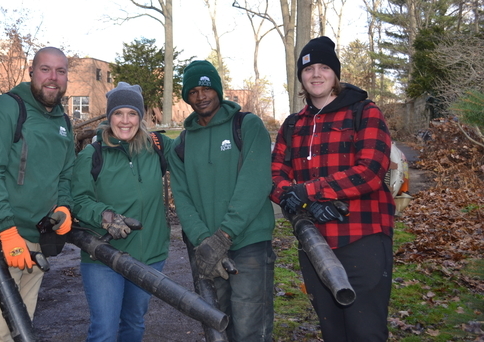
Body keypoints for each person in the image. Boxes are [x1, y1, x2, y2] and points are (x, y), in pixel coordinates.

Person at [270, 36, 395, 341]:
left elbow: (370, 171)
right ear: (300, 76)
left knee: (365, 330)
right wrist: (304, 203)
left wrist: (310, 191)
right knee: (333, 330)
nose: (316, 74)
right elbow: (274, 177)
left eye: (324, 67)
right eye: (308, 68)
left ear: (336, 73)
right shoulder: (292, 125)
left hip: (362, 237)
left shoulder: (364, 112)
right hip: (314, 241)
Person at [0, 47, 75, 341]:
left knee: (22, 325)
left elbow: (66, 174)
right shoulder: (8, 109)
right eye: (45, 69)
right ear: (31, 71)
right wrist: (6, 230)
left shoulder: (63, 121)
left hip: (37, 240)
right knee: (1, 329)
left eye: (60, 71)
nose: (53, 78)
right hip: (0, 239)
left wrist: (64, 206)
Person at [169, 60, 276, 342]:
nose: (201, 96)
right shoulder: (181, 144)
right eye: (192, 91)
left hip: (248, 244)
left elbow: (255, 184)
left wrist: (224, 235)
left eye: (206, 88)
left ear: (217, 89)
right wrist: (205, 241)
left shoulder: (247, 126)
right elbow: (182, 198)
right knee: (217, 329)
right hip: (204, 250)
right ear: (186, 97)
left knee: (250, 328)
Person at [71, 82, 173, 342]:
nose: (125, 121)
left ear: (140, 117)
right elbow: (77, 199)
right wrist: (104, 215)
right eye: (118, 113)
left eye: (132, 113)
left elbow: (196, 148)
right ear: (109, 117)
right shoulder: (92, 155)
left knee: (133, 322)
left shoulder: (156, 148)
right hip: (103, 258)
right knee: (104, 330)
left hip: (149, 255)